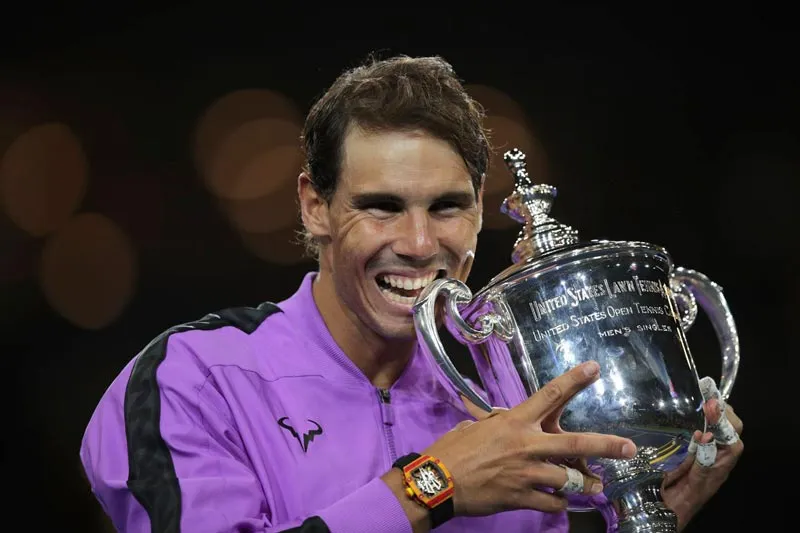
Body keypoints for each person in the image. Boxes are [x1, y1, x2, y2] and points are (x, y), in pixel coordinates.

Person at [80, 54, 743, 533]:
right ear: (315, 206)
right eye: (383, 206)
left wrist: (652, 511)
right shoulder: (191, 379)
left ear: (479, 212)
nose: (421, 244)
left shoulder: (522, 384)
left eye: (448, 207)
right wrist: (432, 484)